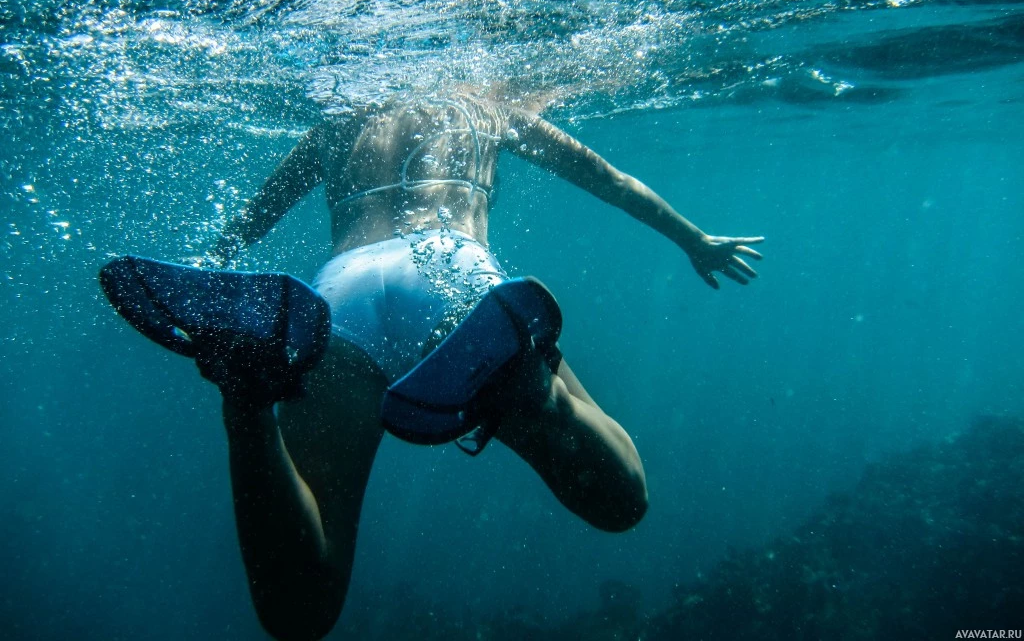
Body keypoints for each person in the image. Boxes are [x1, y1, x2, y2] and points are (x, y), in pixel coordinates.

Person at [140, 84, 762, 641]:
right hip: (453, 278)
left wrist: (210, 273)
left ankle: (246, 405)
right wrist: (694, 240)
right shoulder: (487, 107)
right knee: (623, 500)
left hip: (339, 295)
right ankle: (533, 396)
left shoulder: (334, 124)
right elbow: (612, 182)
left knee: (299, 614)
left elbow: (250, 220)